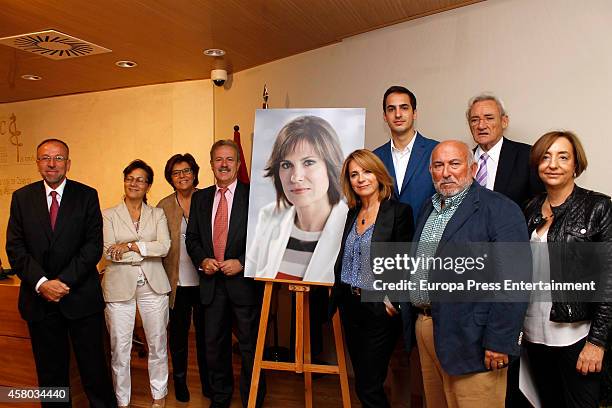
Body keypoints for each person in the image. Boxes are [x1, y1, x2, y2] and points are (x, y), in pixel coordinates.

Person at [407, 140, 529, 408]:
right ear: (431, 171)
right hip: (428, 327)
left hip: (473, 338)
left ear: (472, 168)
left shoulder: (500, 209)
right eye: (438, 165)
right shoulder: (430, 208)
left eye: (454, 163)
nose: (446, 172)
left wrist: (500, 341)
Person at [6, 138, 116, 407]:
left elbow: (92, 247)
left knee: (94, 371)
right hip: (39, 302)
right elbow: (15, 247)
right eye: (45, 158)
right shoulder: (22, 198)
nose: (52, 163)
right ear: (38, 163)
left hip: (80, 298)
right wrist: (43, 283)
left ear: (68, 163)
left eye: (58, 158)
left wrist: (62, 282)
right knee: (50, 375)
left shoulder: (87, 195)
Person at [522, 131, 612, 407]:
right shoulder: (530, 208)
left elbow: (609, 279)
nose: (553, 164)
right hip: (534, 335)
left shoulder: (598, 207)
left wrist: (596, 343)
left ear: (576, 165)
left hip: (577, 337)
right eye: (546, 157)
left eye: (563, 157)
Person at [186, 140, 265, 408]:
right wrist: (202, 260)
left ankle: (251, 399)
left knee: (249, 347)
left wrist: (243, 262)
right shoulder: (200, 197)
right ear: (210, 164)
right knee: (214, 346)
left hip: (243, 284)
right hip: (211, 284)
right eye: (218, 159)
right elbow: (193, 239)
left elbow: (263, 238)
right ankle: (220, 398)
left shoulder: (253, 195)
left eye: (230, 159)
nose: (224, 164)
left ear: (239, 164)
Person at [331, 149, 413, 408]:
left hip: (378, 308)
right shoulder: (352, 213)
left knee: (369, 384)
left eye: (366, 171)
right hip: (350, 305)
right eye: (354, 174)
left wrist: (394, 301)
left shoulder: (398, 212)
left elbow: (406, 261)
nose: (360, 179)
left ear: (378, 174)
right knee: (363, 382)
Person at [246, 115, 348, 283]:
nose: (295, 177)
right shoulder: (269, 216)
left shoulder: (352, 225)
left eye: (308, 162)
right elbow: (252, 272)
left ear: (330, 166)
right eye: (286, 165)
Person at [102, 159, 171, 408]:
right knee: (120, 349)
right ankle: (122, 401)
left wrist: (130, 245)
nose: (134, 183)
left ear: (148, 185)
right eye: (130, 178)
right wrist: (145, 249)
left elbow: (163, 248)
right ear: (124, 181)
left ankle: (159, 395)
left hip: (154, 287)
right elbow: (109, 252)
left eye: (140, 179)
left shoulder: (158, 213)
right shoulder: (108, 215)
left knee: (158, 344)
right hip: (119, 288)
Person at [157, 153, 211, 402]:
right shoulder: (164, 205)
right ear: (170, 178)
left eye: (186, 171)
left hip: (207, 282)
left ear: (195, 172)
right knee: (178, 336)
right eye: (176, 173)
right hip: (176, 283)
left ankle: (209, 382)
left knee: (206, 336)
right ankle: (179, 381)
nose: (182, 176)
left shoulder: (208, 198)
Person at [373, 85, 438, 223]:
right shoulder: (375, 158)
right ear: (385, 116)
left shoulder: (436, 151)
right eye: (391, 109)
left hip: (424, 240)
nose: (398, 114)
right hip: (387, 242)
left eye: (404, 108)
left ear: (414, 113)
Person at [467, 93, 544, 208]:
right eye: (474, 120)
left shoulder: (527, 156)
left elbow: (540, 203)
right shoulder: (462, 161)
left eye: (489, 118)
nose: (481, 126)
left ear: (504, 121)